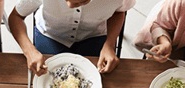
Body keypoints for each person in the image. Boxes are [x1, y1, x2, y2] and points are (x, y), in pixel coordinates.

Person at [8, 0, 136, 76]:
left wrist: (110, 44)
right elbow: (15, 17)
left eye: (82, 1)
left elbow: (119, 12)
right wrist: (29, 51)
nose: (70, 5)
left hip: (94, 36)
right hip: (50, 35)